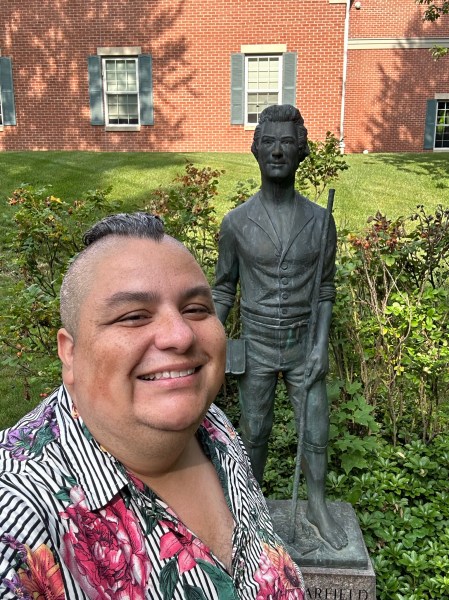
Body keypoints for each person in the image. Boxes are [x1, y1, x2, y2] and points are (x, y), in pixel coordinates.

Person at [0, 212, 305, 599]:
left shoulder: (212, 424)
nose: (181, 335)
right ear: (70, 353)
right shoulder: (17, 519)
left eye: (196, 309)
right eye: (133, 316)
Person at [213, 105, 347, 550]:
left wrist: (320, 346)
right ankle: (251, 509)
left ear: (301, 151)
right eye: (268, 142)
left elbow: (325, 288)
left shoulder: (320, 221)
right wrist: (208, 340)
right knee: (254, 431)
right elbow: (223, 289)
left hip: (304, 343)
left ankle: (316, 506)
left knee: (316, 428)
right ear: (255, 150)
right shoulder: (236, 223)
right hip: (257, 344)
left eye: (287, 142)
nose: (277, 151)